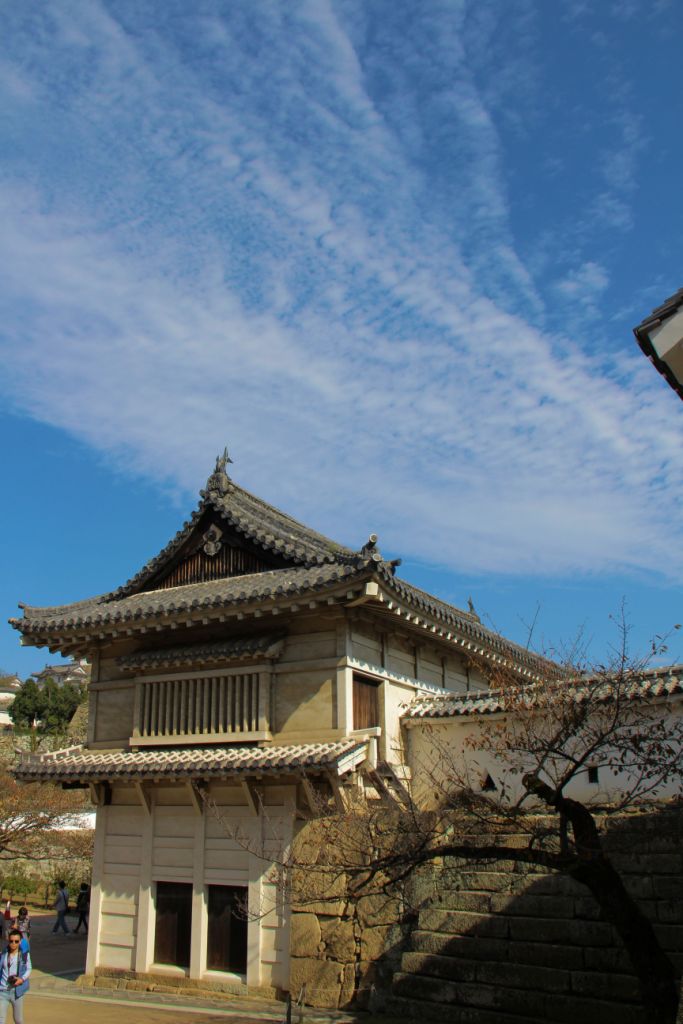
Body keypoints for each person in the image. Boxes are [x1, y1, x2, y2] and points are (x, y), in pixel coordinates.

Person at [0, 928, 31, 1023]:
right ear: (8, 941)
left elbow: (29, 969)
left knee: (18, 1020)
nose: (13, 943)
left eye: (16, 941)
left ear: (20, 941)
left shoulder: (24, 955)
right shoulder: (3, 954)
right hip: (2, 991)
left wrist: (22, 979)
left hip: (17, 992)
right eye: (11, 941)